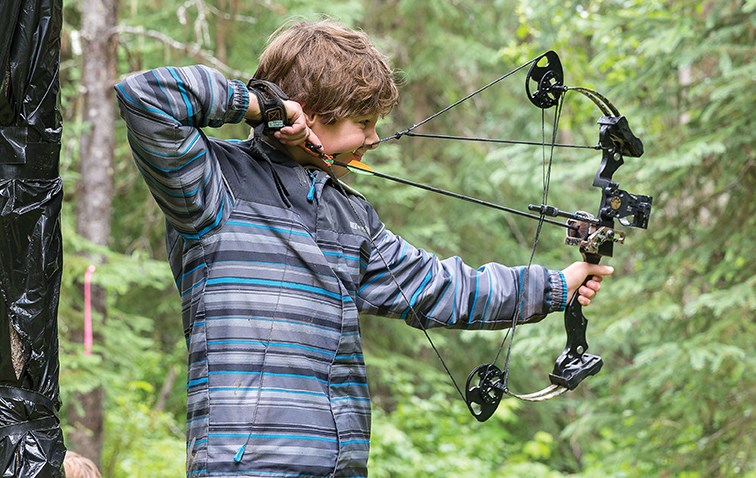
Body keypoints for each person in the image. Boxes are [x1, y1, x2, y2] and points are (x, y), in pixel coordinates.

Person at [115, 19, 612, 478]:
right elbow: (146, 97)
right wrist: (263, 105)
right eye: (363, 122)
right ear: (308, 116)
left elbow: (439, 287)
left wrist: (554, 285)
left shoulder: (347, 215)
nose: (374, 138)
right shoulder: (214, 185)